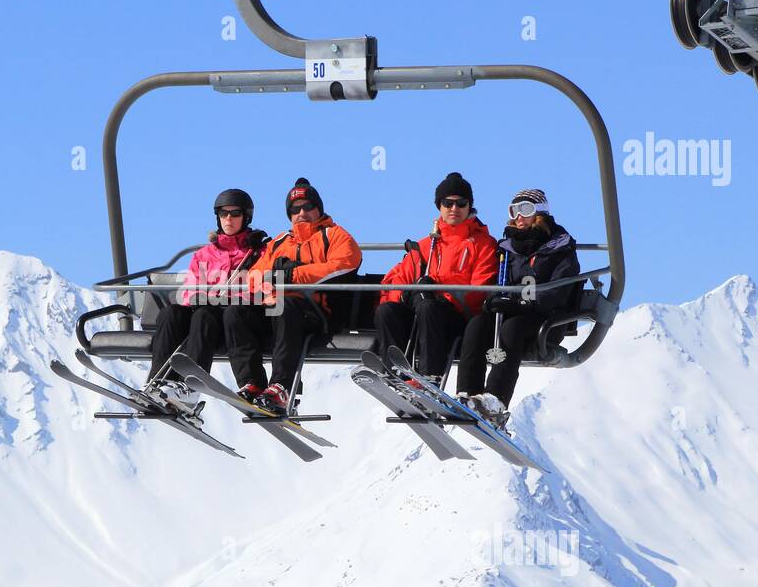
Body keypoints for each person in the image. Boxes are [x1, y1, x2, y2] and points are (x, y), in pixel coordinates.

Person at [223, 178, 362, 414]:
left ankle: (282, 387)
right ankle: (253, 383)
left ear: (318, 208)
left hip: (317, 312)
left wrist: (294, 274)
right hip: (277, 308)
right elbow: (254, 276)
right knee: (236, 311)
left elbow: (345, 264)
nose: (302, 213)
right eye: (295, 209)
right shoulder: (280, 242)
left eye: (308, 207)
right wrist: (274, 278)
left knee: (284, 305)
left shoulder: (334, 235)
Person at [455, 188, 581, 426]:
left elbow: (555, 292)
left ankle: (495, 400)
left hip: (547, 321)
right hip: (511, 314)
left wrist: (520, 303)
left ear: (540, 214)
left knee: (512, 329)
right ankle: (467, 393)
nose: (519, 217)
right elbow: (496, 282)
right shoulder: (507, 250)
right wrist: (493, 299)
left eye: (526, 210)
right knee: (478, 324)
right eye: (514, 211)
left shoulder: (560, 250)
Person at [373, 172, 498, 385]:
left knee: (429, 307)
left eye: (461, 203)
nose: (454, 209)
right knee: (387, 310)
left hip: (457, 318)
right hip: (421, 317)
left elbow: (479, 293)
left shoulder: (483, 243)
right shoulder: (425, 246)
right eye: (447, 203)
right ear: (439, 206)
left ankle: (429, 377)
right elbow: (396, 281)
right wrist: (405, 295)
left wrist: (438, 295)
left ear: (470, 206)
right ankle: (394, 371)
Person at [146, 189, 264, 408]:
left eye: (235, 213)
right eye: (223, 213)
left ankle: (190, 389)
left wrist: (222, 297)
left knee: (204, 314)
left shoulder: (258, 253)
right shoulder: (204, 255)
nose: (228, 218)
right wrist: (202, 297)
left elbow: (260, 290)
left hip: (230, 323)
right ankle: (158, 382)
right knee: (171, 312)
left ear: (246, 216)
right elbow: (189, 290)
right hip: (204, 321)